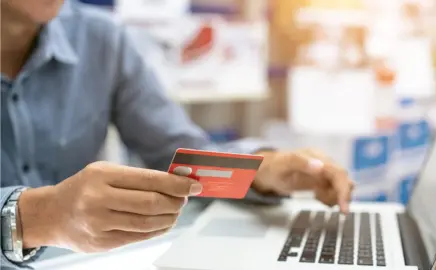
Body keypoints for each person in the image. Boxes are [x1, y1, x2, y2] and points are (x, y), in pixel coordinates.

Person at [0, 0, 354, 269]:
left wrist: (261, 171)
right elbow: (44, 216)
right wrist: (36, 217)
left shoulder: (101, 39)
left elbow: (176, 152)